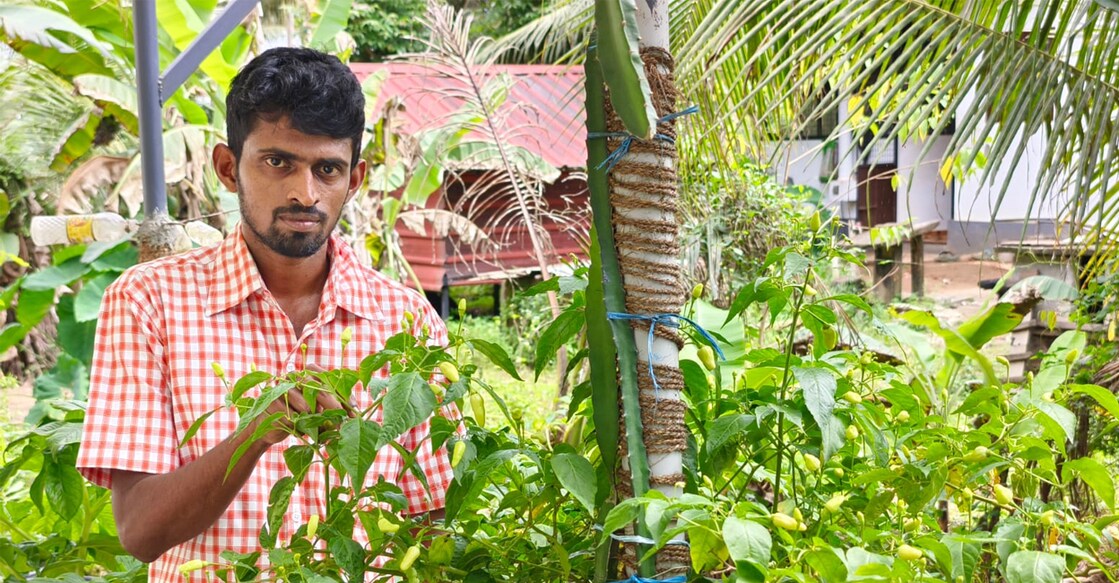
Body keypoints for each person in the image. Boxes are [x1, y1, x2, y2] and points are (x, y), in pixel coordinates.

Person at [76, 47, 454, 581]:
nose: (305, 193)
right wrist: (258, 430)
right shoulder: (150, 301)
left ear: (356, 178)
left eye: (328, 169)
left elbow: (431, 520)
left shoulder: (406, 321)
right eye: (278, 162)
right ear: (228, 169)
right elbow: (140, 531)